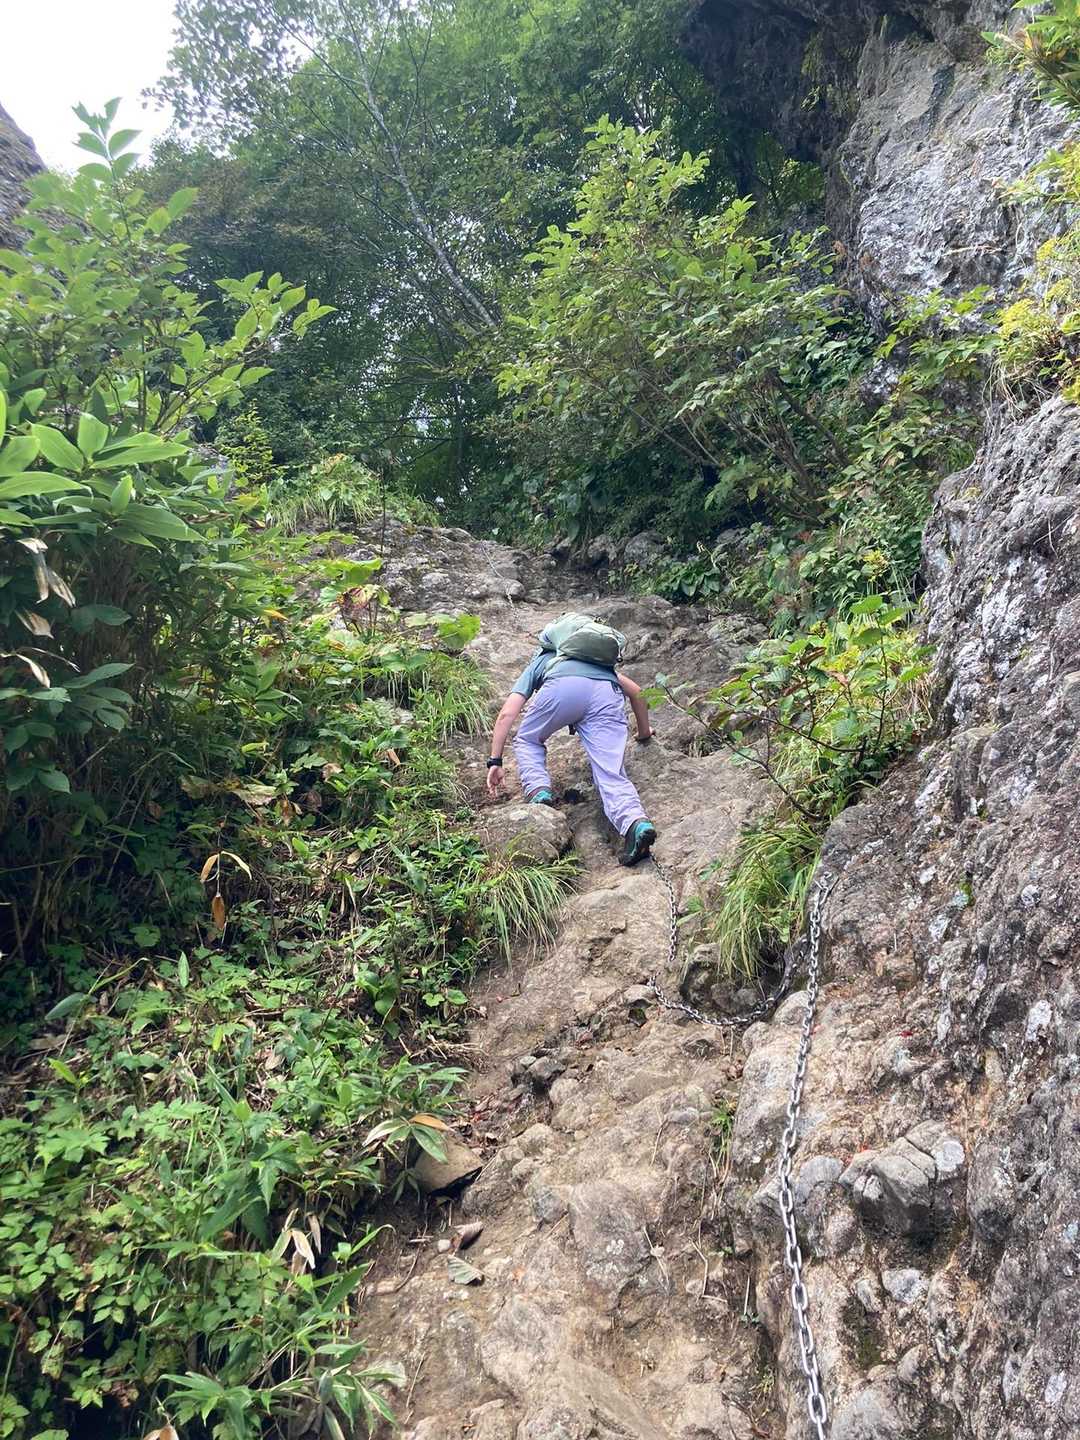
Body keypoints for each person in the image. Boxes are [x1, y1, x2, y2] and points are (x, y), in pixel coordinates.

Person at [485, 633, 659, 866]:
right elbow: (637, 692)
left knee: (528, 739)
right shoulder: (596, 661)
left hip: (561, 689)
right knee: (610, 772)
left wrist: (495, 761)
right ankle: (636, 824)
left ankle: (538, 791)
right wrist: (644, 732)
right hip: (606, 693)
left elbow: (507, 714)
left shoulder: (543, 659)